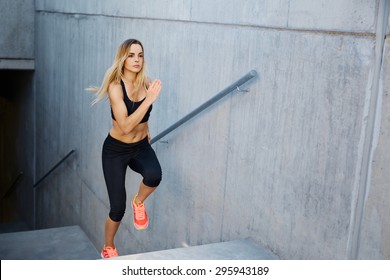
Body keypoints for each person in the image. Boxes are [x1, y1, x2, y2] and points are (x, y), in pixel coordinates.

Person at [88, 39, 162, 258]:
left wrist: (147, 132)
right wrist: (148, 100)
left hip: (139, 146)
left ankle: (138, 202)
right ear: (123, 58)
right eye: (131, 55)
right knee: (117, 209)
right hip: (115, 151)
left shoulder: (146, 82)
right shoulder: (115, 87)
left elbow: (143, 119)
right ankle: (108, 247)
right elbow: (127, 126)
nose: (137, 60)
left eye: (140, 55)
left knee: (154, 175)